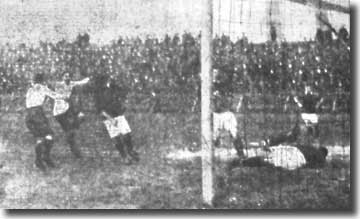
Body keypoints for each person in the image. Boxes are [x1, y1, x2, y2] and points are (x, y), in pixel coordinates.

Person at [93, 74, 139, 164]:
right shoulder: (98, 94)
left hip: (118, 114)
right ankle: (124, 156)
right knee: (116, 138)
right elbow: (100, 110)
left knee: (127, 135)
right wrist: (110, 119)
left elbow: (122, 92)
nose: (107, 82)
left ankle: (130, 151)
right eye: (106, 80)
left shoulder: (112, 89)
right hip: (108, 118)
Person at [25, 73, 64, 171]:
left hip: (29, 115)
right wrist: (64, 96)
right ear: (42, 81)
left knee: (39, 138)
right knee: (49, 135)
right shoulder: (42, 87)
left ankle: (39, 161)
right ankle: (44, 157)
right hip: (37, 114)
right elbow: (54, 95)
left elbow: (30, 102)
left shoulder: (30, 89)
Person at [230, 138, 328, 171]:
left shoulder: (311, 147)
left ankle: (243, 161)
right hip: (298, 156)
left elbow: (296, 145)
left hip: (292, 149)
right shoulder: (320, 156)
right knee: (269, 161)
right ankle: (243, 163)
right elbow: (318, 166)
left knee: (268, 156)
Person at [53, 72, 90, 158]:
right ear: (62, 78)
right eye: (66, 76)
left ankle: (72, 130)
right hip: (59, 112)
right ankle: (75, 150)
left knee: (81, 117)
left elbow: (81, 82)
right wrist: (63, 96)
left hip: (67, 109)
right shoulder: (59, 85)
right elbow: (56, 94)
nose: (68, 78)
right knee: (69, 131)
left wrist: (88, 79)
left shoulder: (71, 83)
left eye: (69, 76)